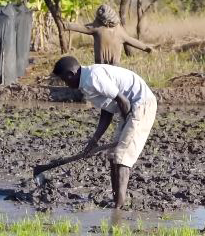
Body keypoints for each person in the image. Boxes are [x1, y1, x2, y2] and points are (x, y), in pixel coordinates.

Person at [52, 55, 157, 209]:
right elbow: (107, 110)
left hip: (141, 105)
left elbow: (123, 101)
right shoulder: (87, 82)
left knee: (122, 157)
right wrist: (94, 139)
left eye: (65, 80)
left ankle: (118, 208)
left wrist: (127, 127)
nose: (66, 85)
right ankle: (116, 200)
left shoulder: (93, 77)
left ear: (71, 74)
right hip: (129, 109)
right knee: (113, 156)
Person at [63, 4, 153, 65]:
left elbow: (79, 27)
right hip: (115, 66)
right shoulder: (120, 31)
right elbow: (132, 41)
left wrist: (66, 25)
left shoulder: (97, 28)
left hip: (100, 66)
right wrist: (146, 48)